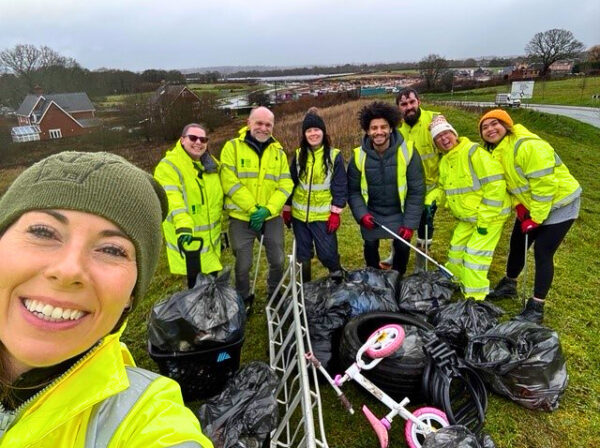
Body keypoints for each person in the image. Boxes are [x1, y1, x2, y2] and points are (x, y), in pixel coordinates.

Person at [0, 152, 213, 447]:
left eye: (112, 250)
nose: (68, 270)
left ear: (131, 295)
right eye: (42, 231)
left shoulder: (145, 417)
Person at [480, 109, 582, 323]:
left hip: (561, 203)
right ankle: (509, 284)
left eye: (494, 124)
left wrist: (534, 218)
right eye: (484, 127)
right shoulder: (497, 152)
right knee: (517, 242)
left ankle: (536, 307)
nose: (490, 129)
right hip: (534, 204)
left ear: (506, 125)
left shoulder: (527, 146)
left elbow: (545, 187)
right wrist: (519, 207)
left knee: (543, 251)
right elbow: (511, 185)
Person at [428, 116, 511, 300]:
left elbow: (495, 185)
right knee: (456, 249)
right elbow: (444, 188)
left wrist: (485, 218)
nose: (443, 139)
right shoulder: (445, 161)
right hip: (468, 218)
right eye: (438, 137)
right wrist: (431, 198)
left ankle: (475, 300)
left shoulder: (473, 152)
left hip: (489, 216)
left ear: (454, 134)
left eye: (446, 133)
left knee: (474, 256)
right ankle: (455, 281)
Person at [220, 107, 293, 309]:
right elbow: (229, 182)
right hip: (241, 217)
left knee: (278, 260)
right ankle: (243, 298)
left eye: (268, 124)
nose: (263, 128)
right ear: (249, 124)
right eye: (259, 123)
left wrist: (268, 210)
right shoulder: (232, 148)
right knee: (243, 264)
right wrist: (253, 210)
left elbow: (285, 184)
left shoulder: (277, 152)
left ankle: (275, 294)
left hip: (270, 217)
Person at [347, 101, 425, 276]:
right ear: (367, 131)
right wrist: (362, 215)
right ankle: (374, 275)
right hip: (371, 214)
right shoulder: (358, 156)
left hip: (399, 212)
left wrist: (410, 223)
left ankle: (398, 277)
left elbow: (417, 191)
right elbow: (353, 191)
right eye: (374, 128)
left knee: (402, 247)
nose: (379, 132)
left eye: (383, 127)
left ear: (391, 128)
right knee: (370, 245)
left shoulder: (409, 152)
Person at [154, 123, 223, 286]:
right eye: (193, 138)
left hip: (211, 242)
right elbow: (172, 199)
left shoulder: (212, 165)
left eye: (203, 139)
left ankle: (210, 309)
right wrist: (184, 227)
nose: (198, 142)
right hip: (190, 242)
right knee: (195, 288)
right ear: (182, 140)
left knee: (212, 282)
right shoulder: (168, 166)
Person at [282, 108, 347, 282]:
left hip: (323, 215)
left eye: (316, 130)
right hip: (300, 216)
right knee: (303, 256)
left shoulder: (334, 156)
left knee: (327, 253)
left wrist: (335, 213)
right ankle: (305, 288)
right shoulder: (297, 156)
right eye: (309, 130)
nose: (313, 134)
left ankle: (337, 279)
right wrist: (287, 208)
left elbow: (340, 186)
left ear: (323, 132)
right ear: (304, 134)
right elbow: (290, 183)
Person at [380, 88, 440, 272]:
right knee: (399, 226)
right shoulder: (396, 129)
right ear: (398, 108)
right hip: (404, 189)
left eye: (412, 102)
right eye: (404, 104)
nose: (409, 107)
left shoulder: (434, 120)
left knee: (425, 227)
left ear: (419, 102)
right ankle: (394, 255)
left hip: (429, 188)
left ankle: (421, 263)